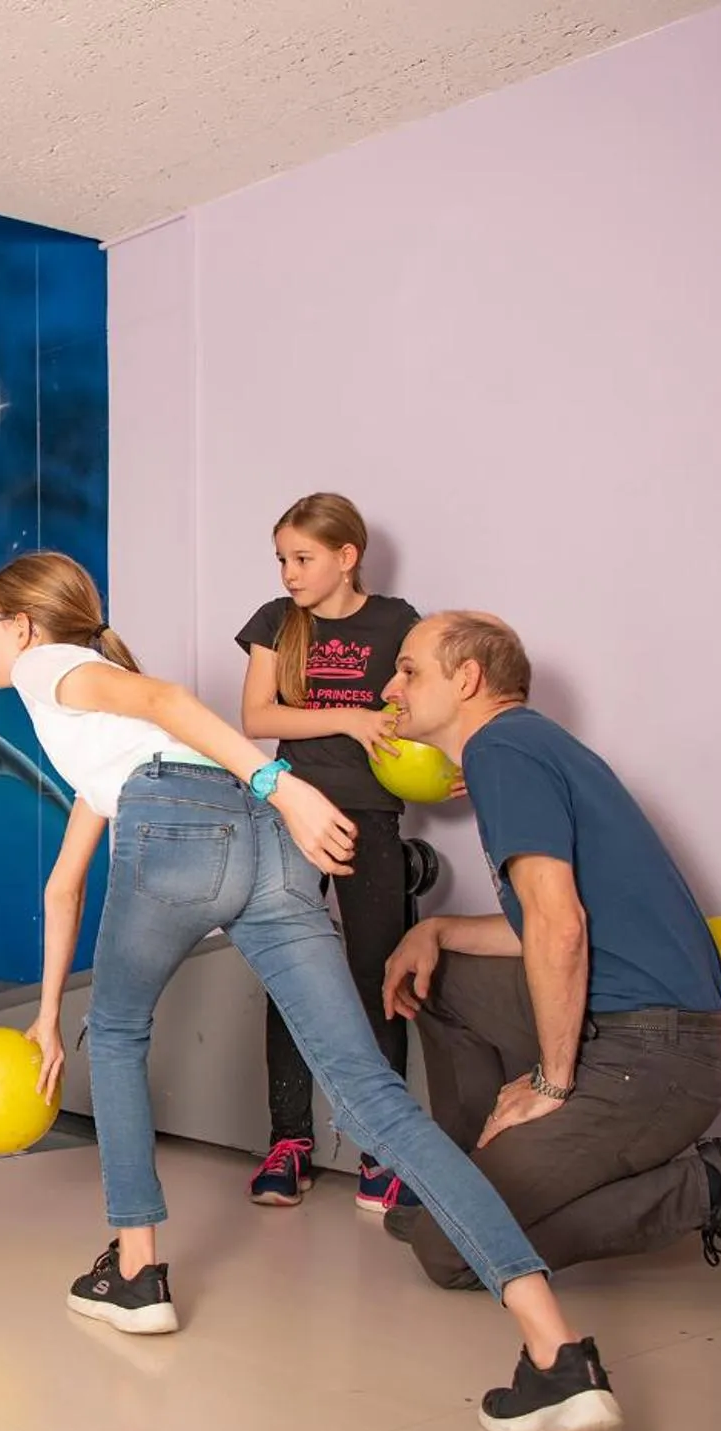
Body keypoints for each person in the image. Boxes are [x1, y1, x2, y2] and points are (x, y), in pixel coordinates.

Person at [0, 552, 623, 1431]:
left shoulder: (53, 668)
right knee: (374, 1097)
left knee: (121, 1035)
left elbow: (170, 703)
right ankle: (558, 1352)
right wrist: (47, 1015)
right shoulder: (95, 727)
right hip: (260, 842)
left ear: (24, 624)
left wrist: (278, 783)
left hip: (212, 813)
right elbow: (64, 884)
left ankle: (137, 1274)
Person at [378, 612, 721, 1309]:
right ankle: (459, 1183)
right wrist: (441, 928)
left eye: (409, 669)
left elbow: (561, 926)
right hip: (627, 1022)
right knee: (438, 974)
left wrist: (551, 1079)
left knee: (451, 1252)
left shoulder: (501, 749)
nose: (392, 687)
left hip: (654, 1056)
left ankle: (717, 1185)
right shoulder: (526, 745)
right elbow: (546, 923)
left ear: (468, 678)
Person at [235, 494, 423, 1211]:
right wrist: (349, 714)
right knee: (293, 974)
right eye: (282, 558)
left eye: (302, 558)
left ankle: (386, 1150)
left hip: (371, 816)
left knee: (380, 977)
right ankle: (289, 1142)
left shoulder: (400, 622)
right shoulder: (277, 623)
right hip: (290, 813)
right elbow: (257, 716)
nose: (288, 572)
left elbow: (417, 713)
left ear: (347, 557)